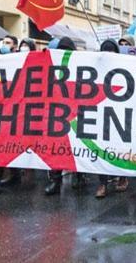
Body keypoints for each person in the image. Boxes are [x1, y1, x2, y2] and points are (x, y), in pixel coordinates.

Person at [45, 36, 86, 195]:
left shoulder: (80, 65)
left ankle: (79, 175)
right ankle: (55, 180)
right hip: (57, 114)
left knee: (79, 146)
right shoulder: (52, 66)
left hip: (77, 113)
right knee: (56, 148)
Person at [94, 38, 129, 199]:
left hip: (120, 114)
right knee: (101, 147)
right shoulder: (96, 67)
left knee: (120, 148)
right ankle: (102, 183)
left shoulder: (125, 66)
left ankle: (122, 177)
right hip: (101, 114)